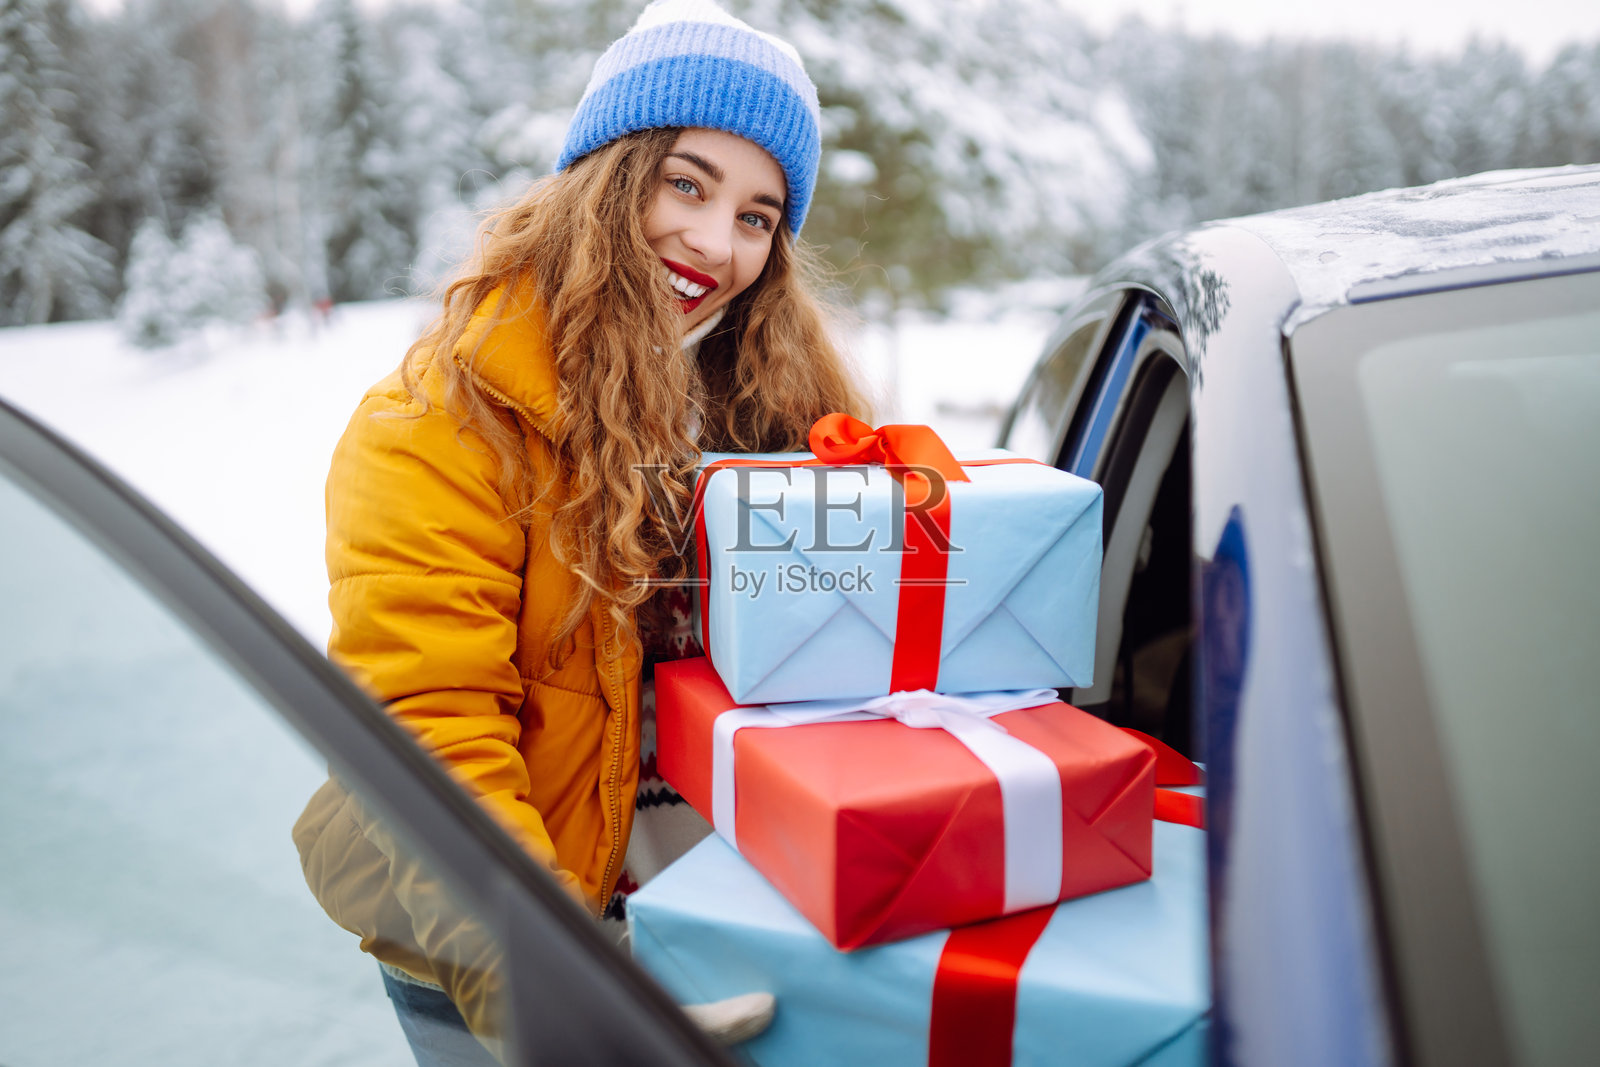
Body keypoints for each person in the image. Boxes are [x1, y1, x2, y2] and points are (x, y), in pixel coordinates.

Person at [292, 1, 871, 1063]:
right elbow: (428, 724)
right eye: (685, 183)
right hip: (500, 937)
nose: (715, 242)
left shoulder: (774, 405)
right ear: (607, 176)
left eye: (757, 216)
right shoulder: (443, 421)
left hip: (719, 920)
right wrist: (556, 983)